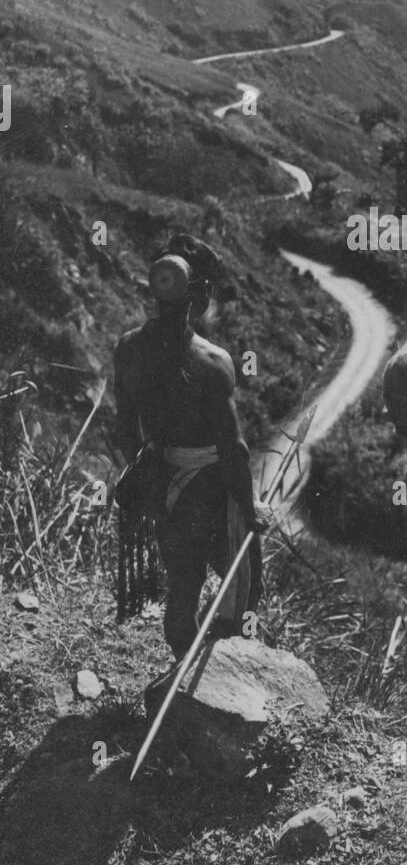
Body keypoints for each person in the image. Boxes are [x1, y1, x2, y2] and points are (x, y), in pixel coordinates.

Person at [113, 233, 263, 658]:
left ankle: (183, 676)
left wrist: (149, 479)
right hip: (212, 488)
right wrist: (250, 513)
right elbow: (233, 449)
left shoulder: (128, 349)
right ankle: (227, 671)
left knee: (183, 587)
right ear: (201, 296)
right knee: (247, 585)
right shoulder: (212, 363)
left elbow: (125, 428)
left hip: (163, 482)